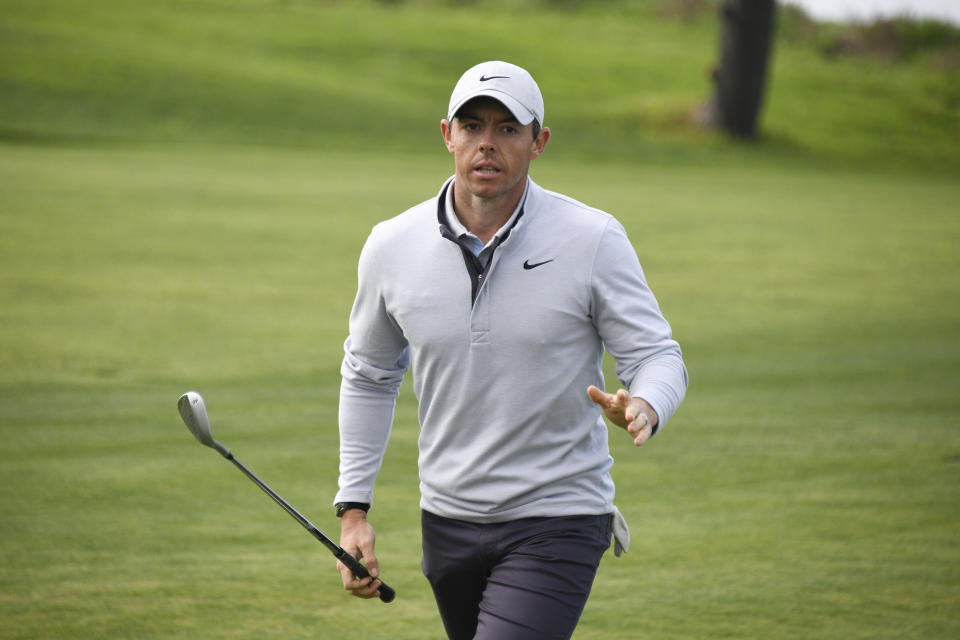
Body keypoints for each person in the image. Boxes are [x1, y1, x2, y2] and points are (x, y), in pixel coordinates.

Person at [333, 60, 687, 640]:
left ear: (538, 142)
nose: (487, 145)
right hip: (447, 520)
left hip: (560, 515)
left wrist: (646, 403)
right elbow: (369, 375)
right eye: (472, 127)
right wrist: (353, 513)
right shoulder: (390, 246)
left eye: (508, 129)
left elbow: (657, 354)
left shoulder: (592, 238)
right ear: (447, 134)